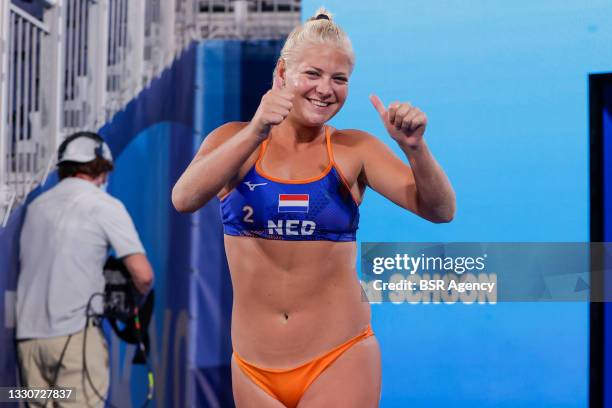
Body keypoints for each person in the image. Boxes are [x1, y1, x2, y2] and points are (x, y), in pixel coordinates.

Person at [172, 8, 455, 408]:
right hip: (253, 369)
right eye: (313, 74)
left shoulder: (353, 150)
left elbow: (440, 210)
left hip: (339, 357)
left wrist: (416, 150)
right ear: (282, 74)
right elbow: (184, 198)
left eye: (339, 79)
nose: (326, 89)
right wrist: (256, 129)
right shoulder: (234, 140)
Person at [15, 131, 154, 407]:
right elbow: (143, 274)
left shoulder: (36, 207)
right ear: (100, 167)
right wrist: (135, 302)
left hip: (29, 344)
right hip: (74, 341)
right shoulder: (103, 205)